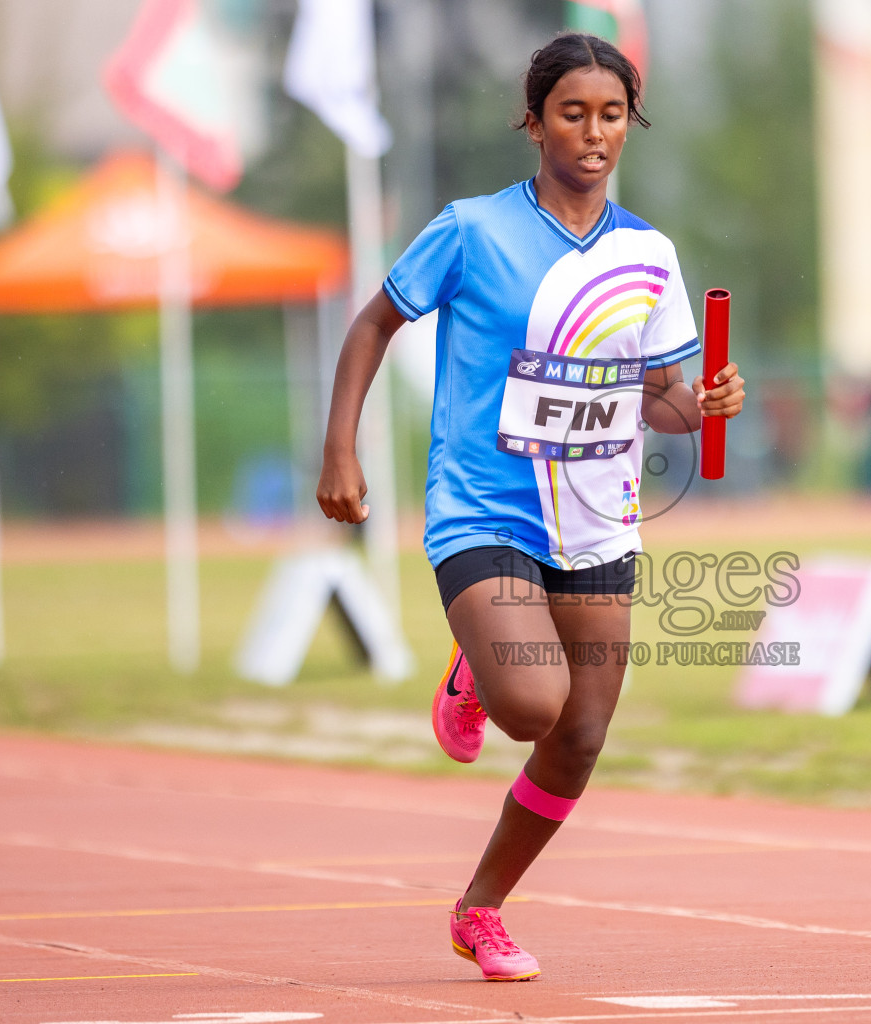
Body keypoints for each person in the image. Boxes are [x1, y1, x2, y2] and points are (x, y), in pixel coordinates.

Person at [316, 33, 745, 982]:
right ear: (534, 121)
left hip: (598, 521)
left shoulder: (648, 254)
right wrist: (341, 444)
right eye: (572, 113)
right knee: (530, 704)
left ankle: (480, 910)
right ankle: (474, 671)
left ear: (630, 123)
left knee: (581, 737)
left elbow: (660, 397)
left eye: (612, 115)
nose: (594, 134)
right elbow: (374, 322)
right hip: (483, 511)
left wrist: (704, 403)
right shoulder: (472, 229)